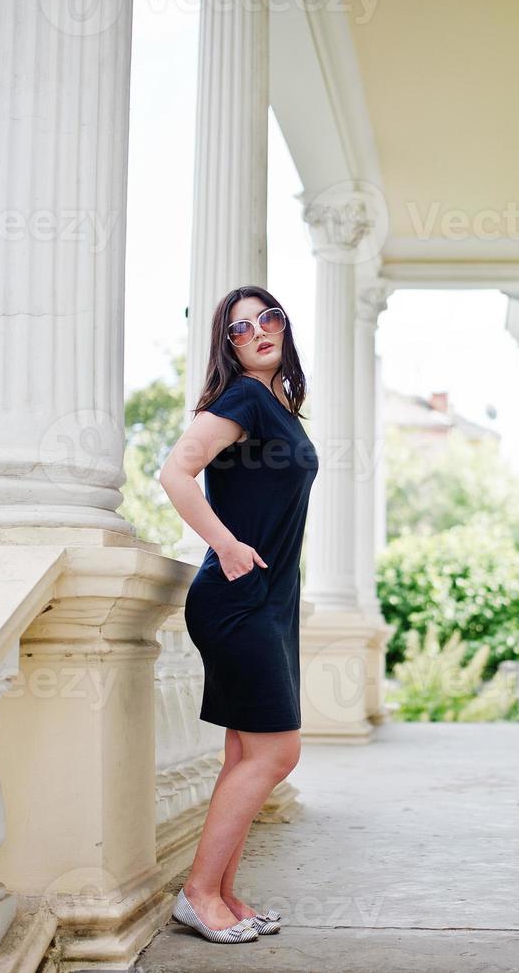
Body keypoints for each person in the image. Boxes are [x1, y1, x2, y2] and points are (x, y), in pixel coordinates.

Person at [157, 284, 318, 944]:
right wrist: (224, 544)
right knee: (277, 752)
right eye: (239, 328)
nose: (257, 332)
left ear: (283, 326)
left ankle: (223, 894)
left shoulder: (278, 406)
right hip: (237, 599)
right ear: (226, 345)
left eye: (268, 318)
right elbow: (175, 472)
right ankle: (196, 895)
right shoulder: (244, 397)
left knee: (242, 755)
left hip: (268, 604)